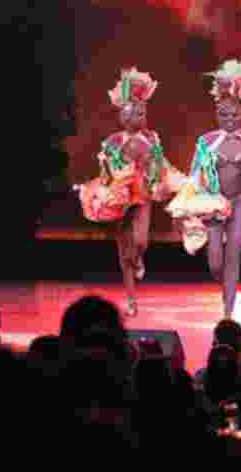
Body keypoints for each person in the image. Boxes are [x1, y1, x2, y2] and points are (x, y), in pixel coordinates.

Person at [166, 60, 241, 319]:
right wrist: (189, 208)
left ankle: (228, 312)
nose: (230, 119)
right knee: (216, 262)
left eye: (235, 115)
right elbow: (194, 177)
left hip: (239, 204)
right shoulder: (206, 142)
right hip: (215, 208)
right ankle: (224, 283)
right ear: (217, 115)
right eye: (225, 115)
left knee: (233, 256)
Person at [75, 68, 185, 316]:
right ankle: (131, 299)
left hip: (142, 196)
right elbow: (105, 171)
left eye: (141, 112)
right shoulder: (112, 142)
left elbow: (159, 164)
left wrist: (166, 182)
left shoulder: (151, 138)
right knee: (123, 248)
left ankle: (138, 259)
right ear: (121, 115)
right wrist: (104, 193)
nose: (137, 116)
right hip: (119, 199)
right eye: (131, 112)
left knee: (140, 241)